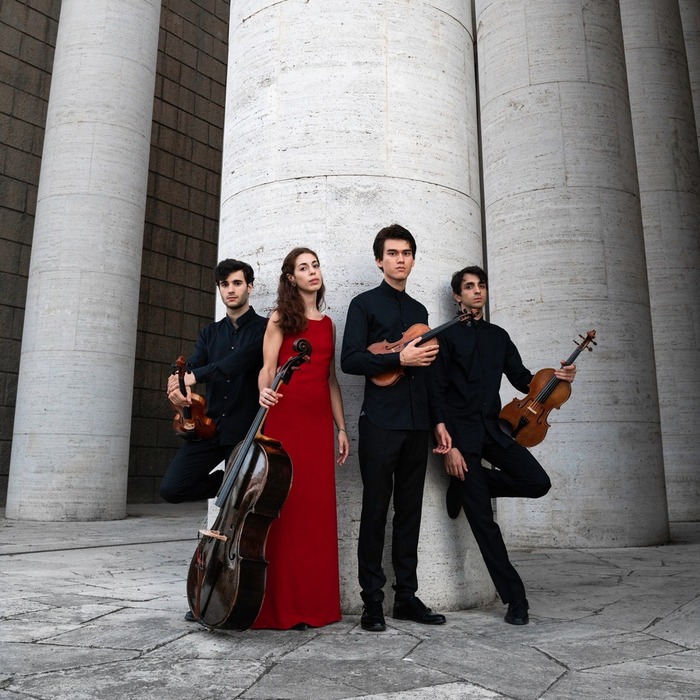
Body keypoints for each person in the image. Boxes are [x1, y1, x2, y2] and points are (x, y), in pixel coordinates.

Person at [430, 265, 576, 626]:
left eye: (481, 285)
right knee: (485, 524)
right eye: (469, 287)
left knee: (537, 482)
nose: (477, 291)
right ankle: (516, 598)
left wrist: (559, 379)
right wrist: (449, 447)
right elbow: (437, 393)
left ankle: (468, 487)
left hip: (494, 430)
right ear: (457, 296)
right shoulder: (447, 337)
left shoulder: (498, 336)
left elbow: (524, 380)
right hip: (462, 437)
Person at [340, 223, 447, 632]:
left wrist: (438, 421)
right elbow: (351, 360)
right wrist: (397, 360)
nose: (400, 259)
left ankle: (406, 597)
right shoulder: (363, 304)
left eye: (406, 253)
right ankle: (372, 601)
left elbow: (430, 372)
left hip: (418, 424)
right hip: (381, 422)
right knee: (375, 510)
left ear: (413, 260)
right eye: (392, 253)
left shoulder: (420, 312)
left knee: (410, 512)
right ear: (379, 260)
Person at [255, 247, 349, 629]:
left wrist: (341, 428)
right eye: (303, 267)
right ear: (291, 278)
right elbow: (268, 369)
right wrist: (264, 393)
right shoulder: (280, 318)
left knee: (314, 513)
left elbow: (330, 380)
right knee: (285, 509)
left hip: (316, 427)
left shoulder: (329, 325)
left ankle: (315, 606)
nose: (313, 272)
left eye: (316, 265)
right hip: (284, 420)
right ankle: (280, 607)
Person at [160, 259, 267, 505]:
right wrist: (176, 382)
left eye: (237, 283)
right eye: (224, 284)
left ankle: (238, 483)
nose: (230, 289)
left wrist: (196, 376)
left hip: (244, 430)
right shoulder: (209, 333)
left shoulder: (265, 329)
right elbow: (192, 365)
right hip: (210, 427)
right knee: (172, 489)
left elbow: (236, 362)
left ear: (250, 287)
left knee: (239, 506)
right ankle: (229, 481)